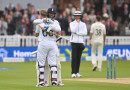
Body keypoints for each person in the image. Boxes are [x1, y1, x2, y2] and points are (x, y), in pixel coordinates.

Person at [34, 8, 63, 87]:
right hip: (52, 44)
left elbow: (36, 31)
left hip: (43, 43)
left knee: (41, 64)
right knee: (53, 63)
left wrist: (50, 29)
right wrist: (52, 29)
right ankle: (54, 81)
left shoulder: (40, 22)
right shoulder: (55, 22)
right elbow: (59, 29)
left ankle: (41, 82)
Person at [69, 11, 87, 78]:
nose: (77, 17)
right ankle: (73, 72)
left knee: (78, 58)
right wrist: (77, 23)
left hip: (81, 42)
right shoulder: (72, 23)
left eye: (78, 15)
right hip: (74, 42)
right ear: (74, 16)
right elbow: (73, 30)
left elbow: (85, 32)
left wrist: (78, 33)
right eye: (76, 15)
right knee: (74, 57)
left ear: (80, 16)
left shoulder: (83, 24)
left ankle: (77, 72)